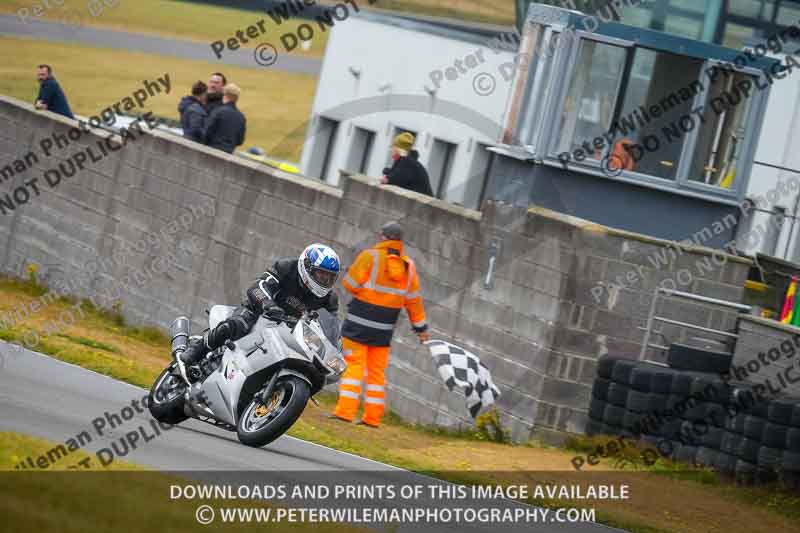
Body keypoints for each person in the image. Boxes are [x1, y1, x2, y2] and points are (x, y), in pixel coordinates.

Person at [180, 244, 341, 371]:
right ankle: (196, 351)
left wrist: (334, 348)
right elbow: (257, 287)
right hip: (260, 312)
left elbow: (331, 328)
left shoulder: (329, 299)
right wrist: (267, 304)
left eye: (330, 277)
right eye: (321, 274)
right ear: (307, 267)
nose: (325, 280)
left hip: (291, 332)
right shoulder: (286, 267)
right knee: (236, 324)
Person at [332, 221, 429, 428]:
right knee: (376, 372)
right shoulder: (408, 267)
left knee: (354, 366)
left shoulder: (369, 256)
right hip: (384, 330)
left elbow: (349, 284)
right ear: (400, 242)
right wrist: (421, 329)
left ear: (382, 237)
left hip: (358, 323)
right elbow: (414, 302)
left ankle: (345, 413)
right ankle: (372, 418)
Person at [203, 83, 246, 154]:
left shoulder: (218, 111)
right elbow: (240, 140)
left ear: (224, 95)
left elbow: (207, 132)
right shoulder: (241, 117)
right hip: (228, 154)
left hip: (212, 151)